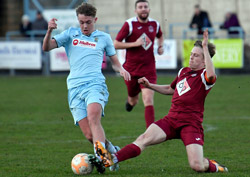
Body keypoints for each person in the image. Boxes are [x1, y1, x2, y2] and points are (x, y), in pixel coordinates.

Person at [95, 29, 228, 173]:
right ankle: (111, 159)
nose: (191, 57)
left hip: (190, 124)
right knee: (144, 138)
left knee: (197, 166)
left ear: (204, 60)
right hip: (171, 120)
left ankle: (215, 166)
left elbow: (212, 75)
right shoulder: (183, 71)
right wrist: (149, 85)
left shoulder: (205, 76)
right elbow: (171, 89)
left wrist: (205, 47)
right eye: (191, 54)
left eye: (196, 56)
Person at [42, 3, 131, 173]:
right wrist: (49, 31)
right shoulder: (70, 34)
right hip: (74, 89)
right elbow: (46, 48)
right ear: (78, 20)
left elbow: (115, 64)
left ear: (95, 20)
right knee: (89, 135)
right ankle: (112, 151)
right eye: (82, 22)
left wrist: (122, 69)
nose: (85, 26)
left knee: (93, 117)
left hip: (95, 85)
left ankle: (102, 160)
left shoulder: (103, 38)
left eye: (88, 22)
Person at [114, 0, 164, 128]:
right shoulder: (129, 24)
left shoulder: (155, 24)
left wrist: (160, 46)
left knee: (148, 99)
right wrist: (134, 44)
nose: (143, 9)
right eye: (140, 7)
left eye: (145, 7)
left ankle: (151, 132)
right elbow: (116, 44)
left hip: (149, 70)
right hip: (131, 70)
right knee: (133, 99)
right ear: (135, 11)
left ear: (149, 10)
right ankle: (130, 103)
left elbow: (160, 35)